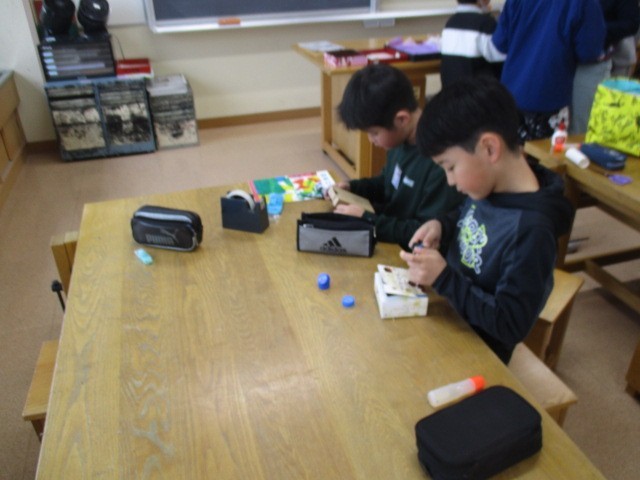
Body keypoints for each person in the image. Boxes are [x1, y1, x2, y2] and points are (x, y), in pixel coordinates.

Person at [399, 77, 575, 364]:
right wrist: (442, 225)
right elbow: (468, 215)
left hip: (479, 352)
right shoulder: (489, 184)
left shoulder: (532, 232)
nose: (450, 181)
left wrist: (444, 278)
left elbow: (509, 325)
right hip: (450, 314)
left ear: (490, 148)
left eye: (450, 167)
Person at [334, 64, 464, 251]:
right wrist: (354, 188)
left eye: (374, 133)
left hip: (408, 250)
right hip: (390, 232)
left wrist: (369, 220)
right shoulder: (400, 141)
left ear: (401, 119)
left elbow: (424, 232)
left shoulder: (440, 162)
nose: (371, 140)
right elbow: (387, 184)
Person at [491, 0, 606, 142]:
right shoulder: (584, 3)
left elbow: (500, 43)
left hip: (510, 94)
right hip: (549, 98)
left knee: (509, 150)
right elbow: (589, 52)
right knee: (546, 154)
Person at [571, 0, 640, 134]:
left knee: (586, 120)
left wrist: (597, 29)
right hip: (561, 59)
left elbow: (631, 23)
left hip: (599, 61)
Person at [440, 0, 506, 87]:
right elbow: (501, 60)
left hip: (451, 92)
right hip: (478, 92)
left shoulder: (450, 23)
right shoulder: (486, 24)